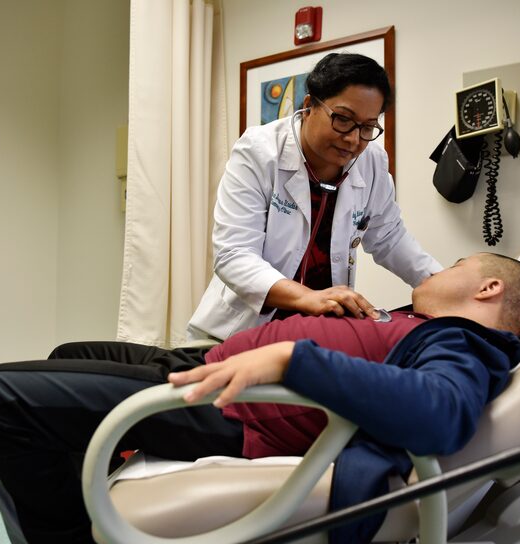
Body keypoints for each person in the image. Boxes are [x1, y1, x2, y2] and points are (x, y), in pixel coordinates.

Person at [0, 253, 520, 544]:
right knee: (69, 351)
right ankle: (89, 508)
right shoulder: (421, 322)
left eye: (457, 266)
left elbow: (442, 413)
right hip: (207, 363)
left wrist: (294, 359)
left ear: (487, 288)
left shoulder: (466, 340)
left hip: (233, 407)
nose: (441, 270)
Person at [187, 53, 442, 341]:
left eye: (368, 127)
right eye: (343, 119)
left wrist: (444, 286)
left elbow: (389, 238)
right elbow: (234, 255)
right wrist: (310, 298)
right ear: (309, 106)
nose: (354, 139)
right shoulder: (258, 152)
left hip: (314, 334)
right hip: (236, 331)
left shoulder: (372, 162)